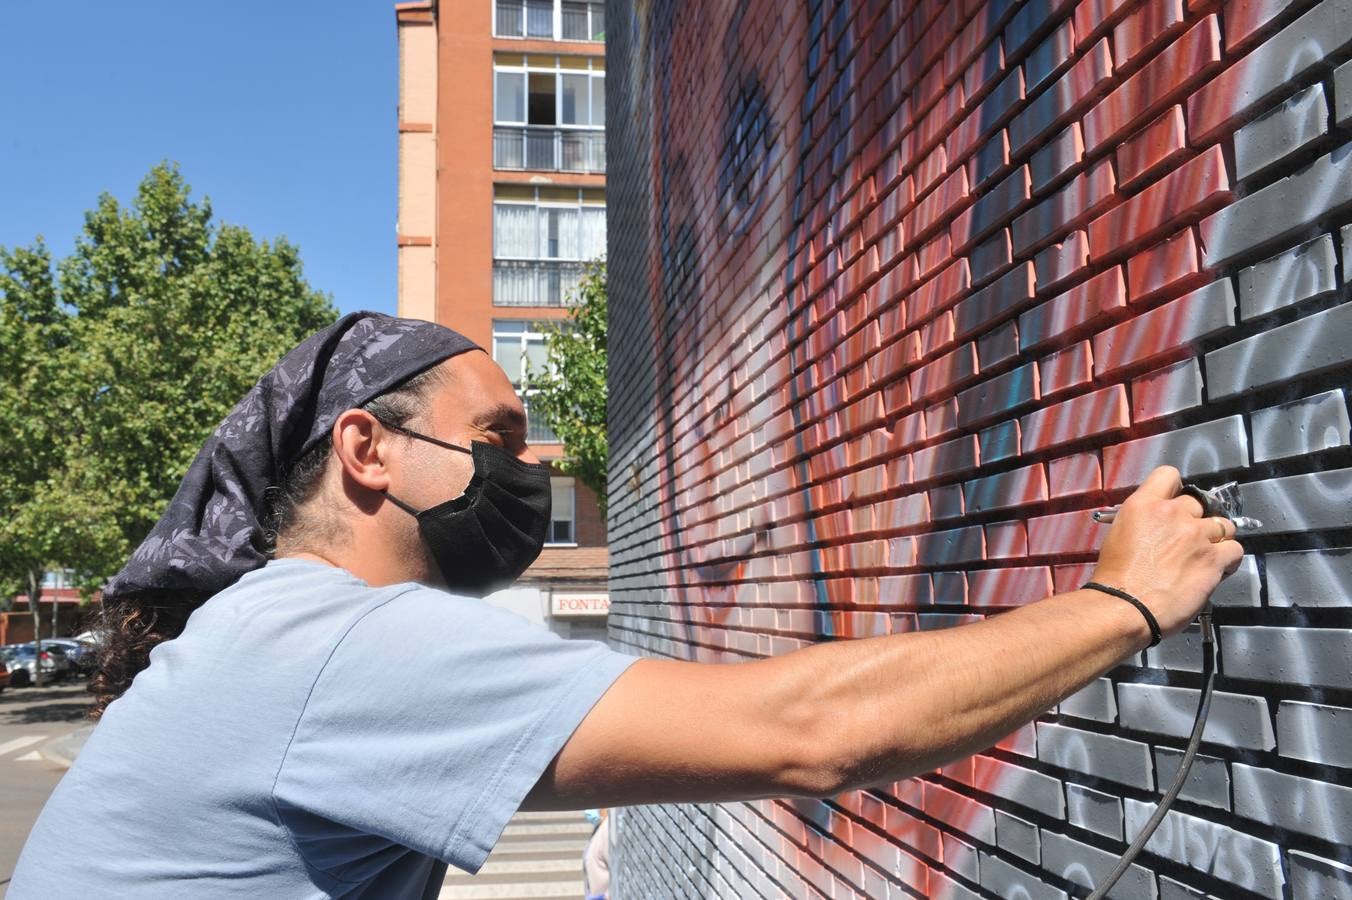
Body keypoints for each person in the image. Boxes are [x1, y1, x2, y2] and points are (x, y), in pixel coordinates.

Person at [10, 313, 1241, 897]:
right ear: (367, 452)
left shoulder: (268, 632)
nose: (531, 475)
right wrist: (1121, 601)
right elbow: (810, 733)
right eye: (495, 437)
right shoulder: (333, 642)